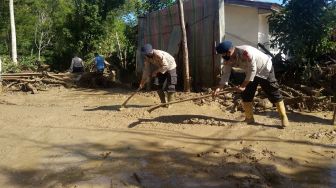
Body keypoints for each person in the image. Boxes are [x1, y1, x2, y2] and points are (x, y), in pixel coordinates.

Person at [213, 40, 289, 127]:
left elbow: (253, 70)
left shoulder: (246, 52)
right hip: (249, 71)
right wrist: (219, 88)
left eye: (223, 54)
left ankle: (283, 117)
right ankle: (249, 118)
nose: (222, 56)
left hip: (264, 68)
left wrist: (243, 85)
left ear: (229, 51)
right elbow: (226, 73)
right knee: (246, 94)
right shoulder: (228, 58)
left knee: (273, 91)